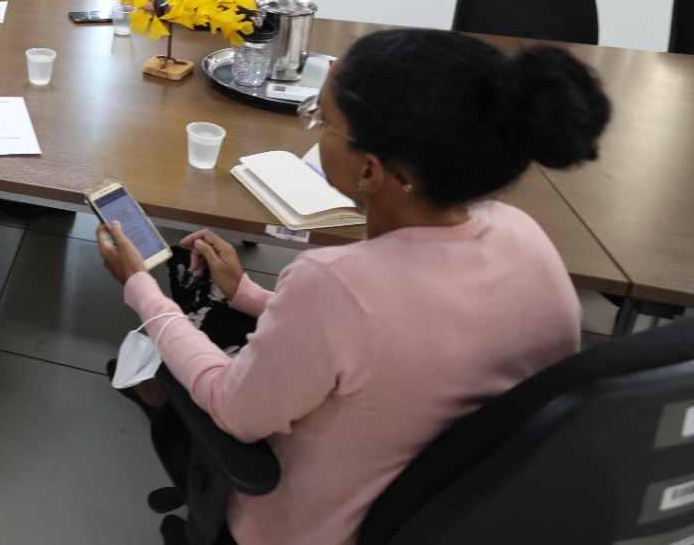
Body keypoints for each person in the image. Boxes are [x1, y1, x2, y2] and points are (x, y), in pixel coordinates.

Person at [96, 28, 610, 545]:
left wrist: (142, 289)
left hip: (320, 526)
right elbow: (383, 338)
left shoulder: (335, 282)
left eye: (322, 118)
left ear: (369, 169)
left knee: (175, 348)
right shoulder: (524, 234)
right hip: (459, 512)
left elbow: (235, 411)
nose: (315, 128)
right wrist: (247, 294)